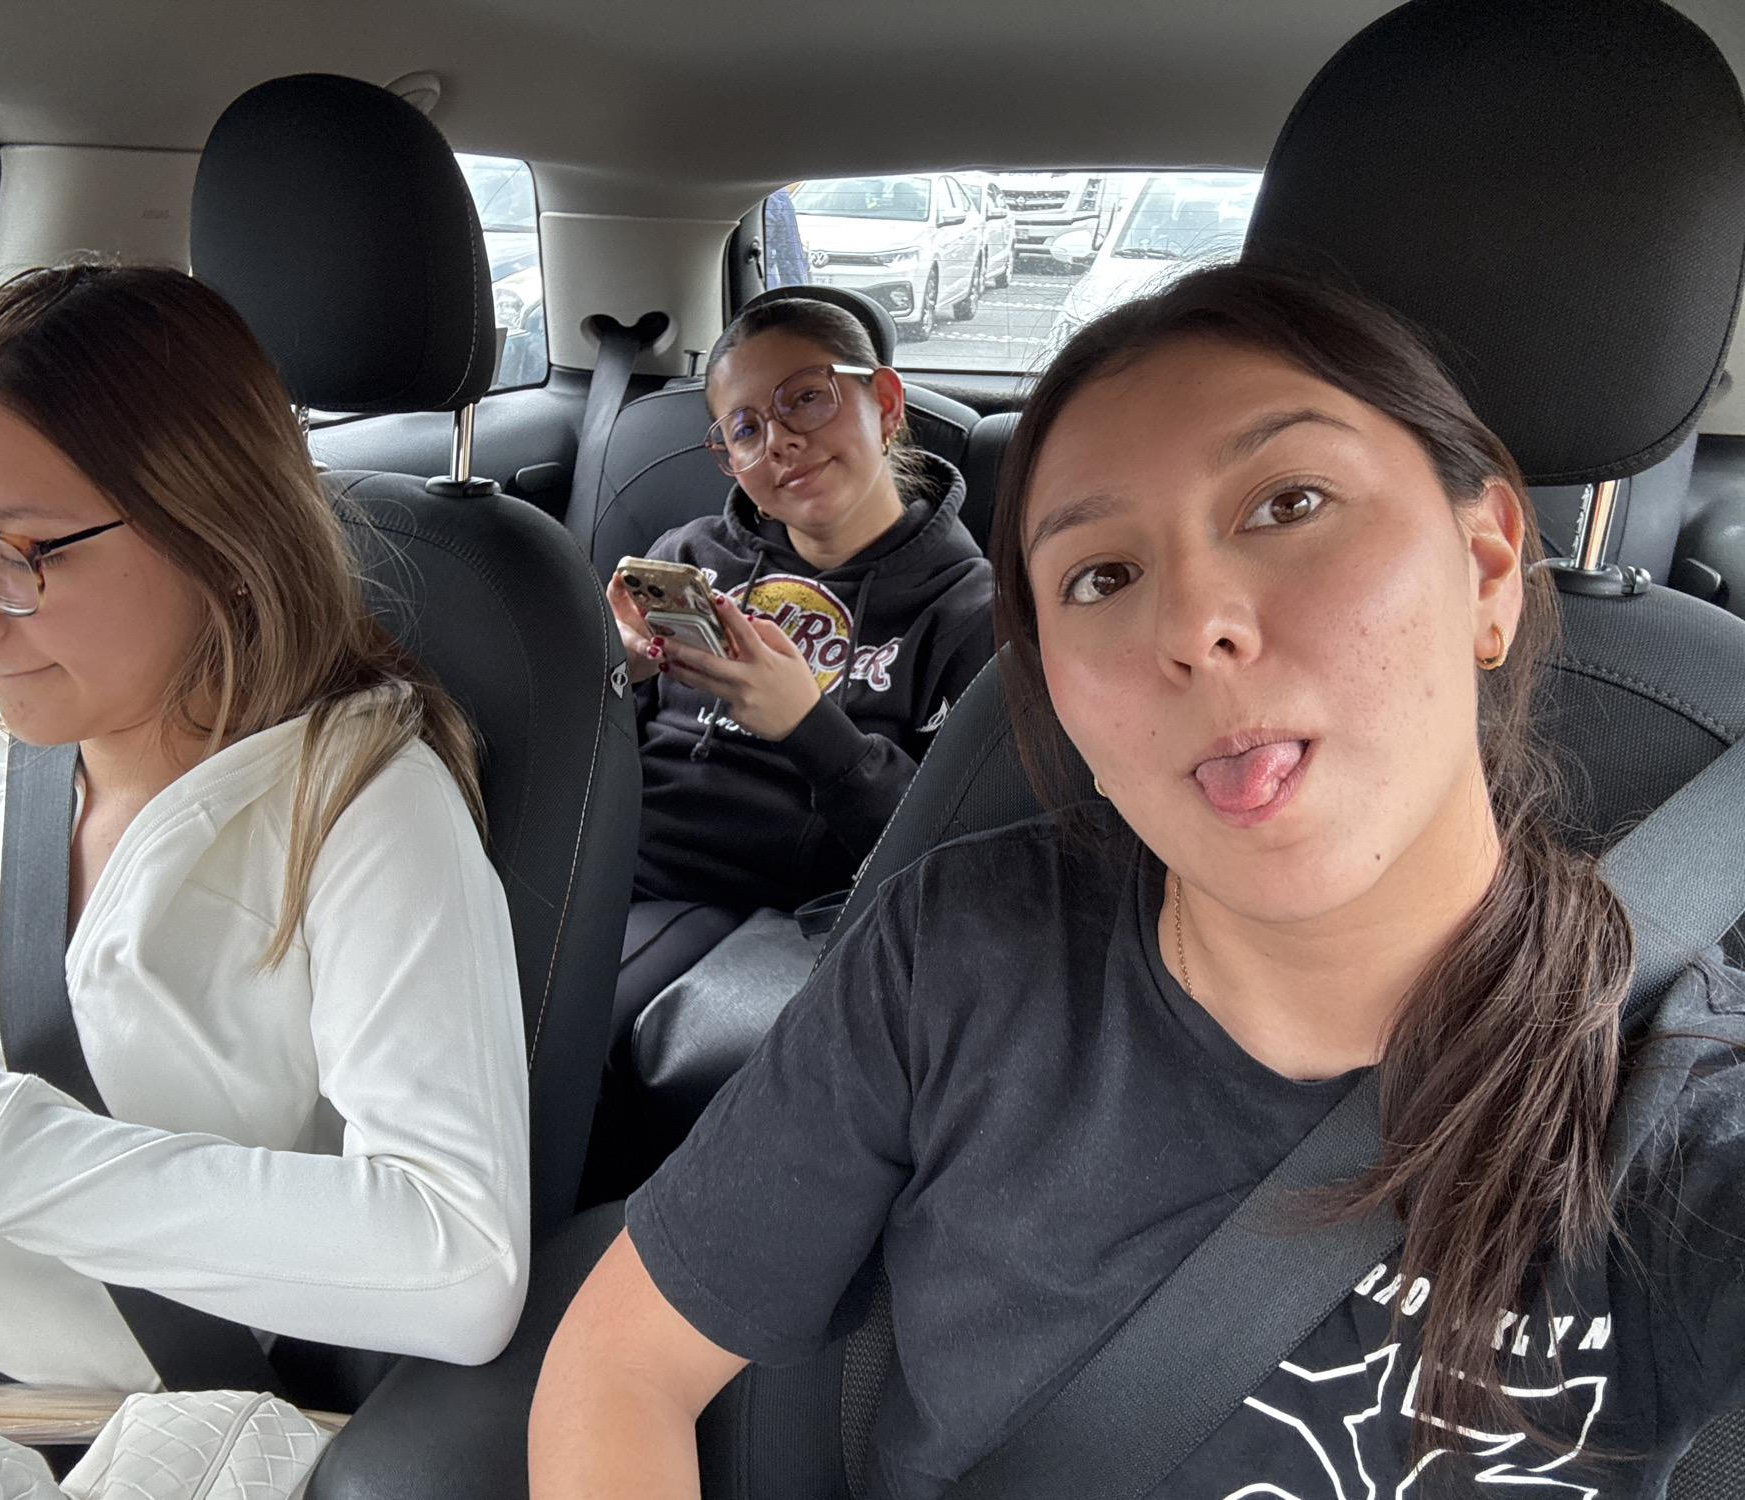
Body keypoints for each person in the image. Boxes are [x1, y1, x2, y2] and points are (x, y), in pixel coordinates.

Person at [531, 263, 1745, 1497]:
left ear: (1484, 567)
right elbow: (619, 1364)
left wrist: (811, 729)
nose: (1194, 626)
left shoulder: (1682, 1114)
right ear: (1056, 688)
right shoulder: (953, 955)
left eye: (1288, 503)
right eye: (1100, 577)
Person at [0, 264, 531, 1396]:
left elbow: (460, 1265)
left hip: (74, 1443)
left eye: (14, 552)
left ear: (219, 537)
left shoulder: (356, 811)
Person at [603, 295, 992, 1101]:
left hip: (781, 914)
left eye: (807, 398)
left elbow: (953, 852)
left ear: (886, 404)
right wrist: (617, 673)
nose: (778, 440)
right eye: (744, 429)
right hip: (612, 866)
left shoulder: (967, 612)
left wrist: (810, 727)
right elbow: (591, 759)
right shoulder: (688, 556)